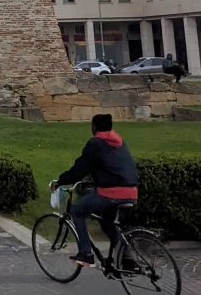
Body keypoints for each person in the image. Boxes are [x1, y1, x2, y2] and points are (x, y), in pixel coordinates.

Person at [51, 113, 139, 268]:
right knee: (107, 223)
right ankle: (128, 260)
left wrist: (60, 181)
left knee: (77, 211)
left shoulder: (95, 143)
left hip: (111, 193)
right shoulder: (119, 142)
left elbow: (79, 169)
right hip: (131, 193)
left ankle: (86, 254)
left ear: (94, 127)